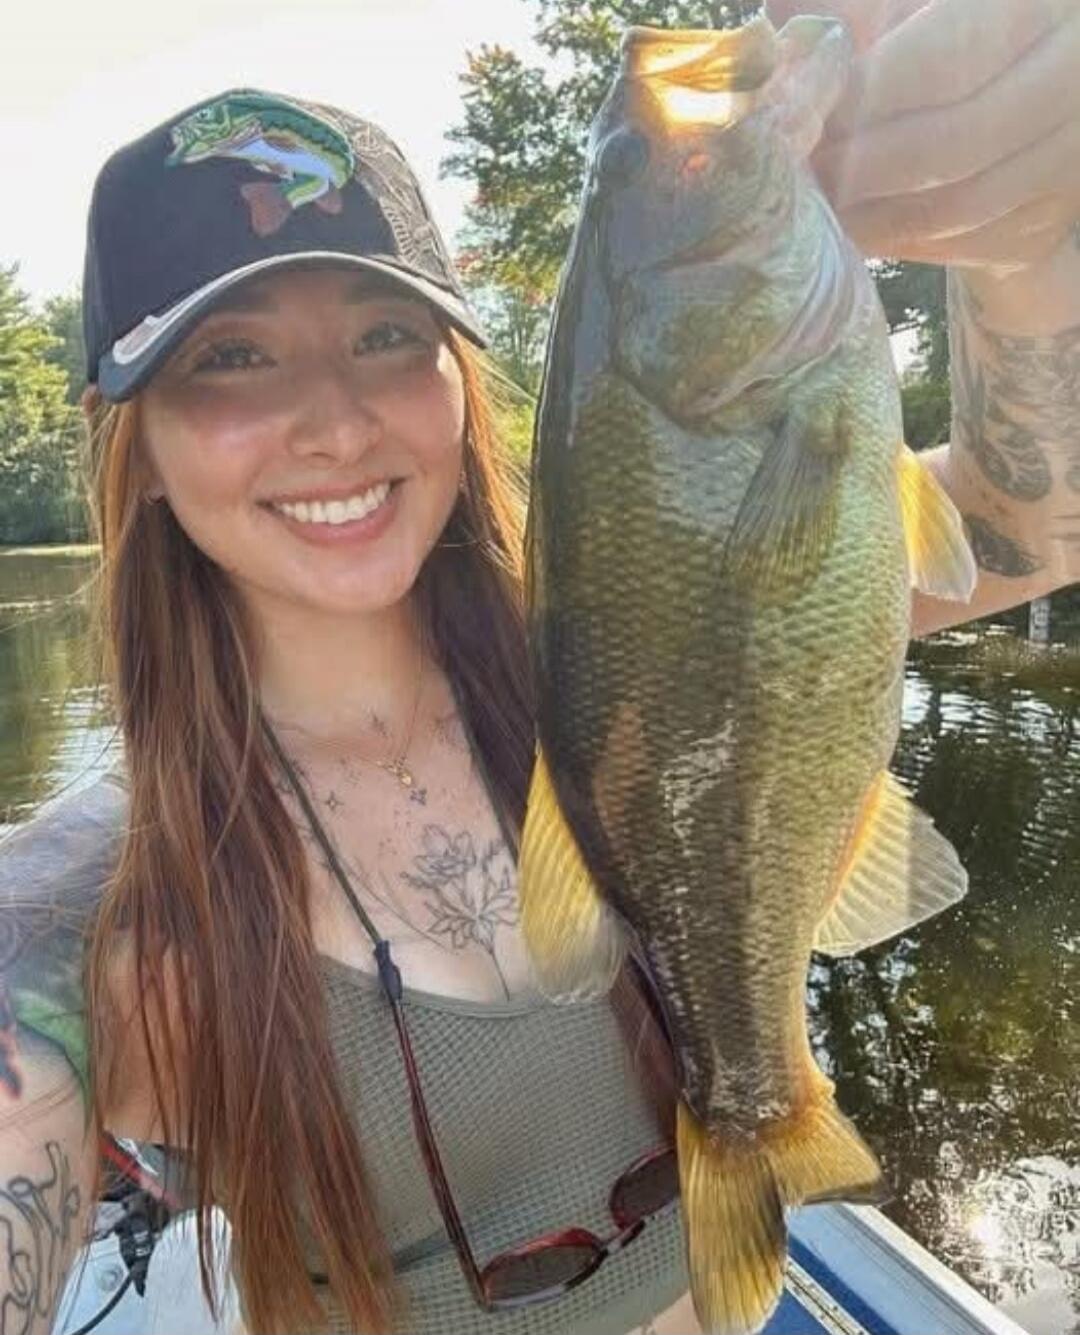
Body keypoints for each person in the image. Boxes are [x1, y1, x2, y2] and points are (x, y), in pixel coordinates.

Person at [1, 1, 1077, 1331]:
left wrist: (1031, 255)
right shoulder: (91, 910)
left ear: (461, 383)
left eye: (387, 335)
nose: (333, 420)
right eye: (232, 359)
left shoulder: (633, 646)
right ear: (139, 448)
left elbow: (1036, 520)